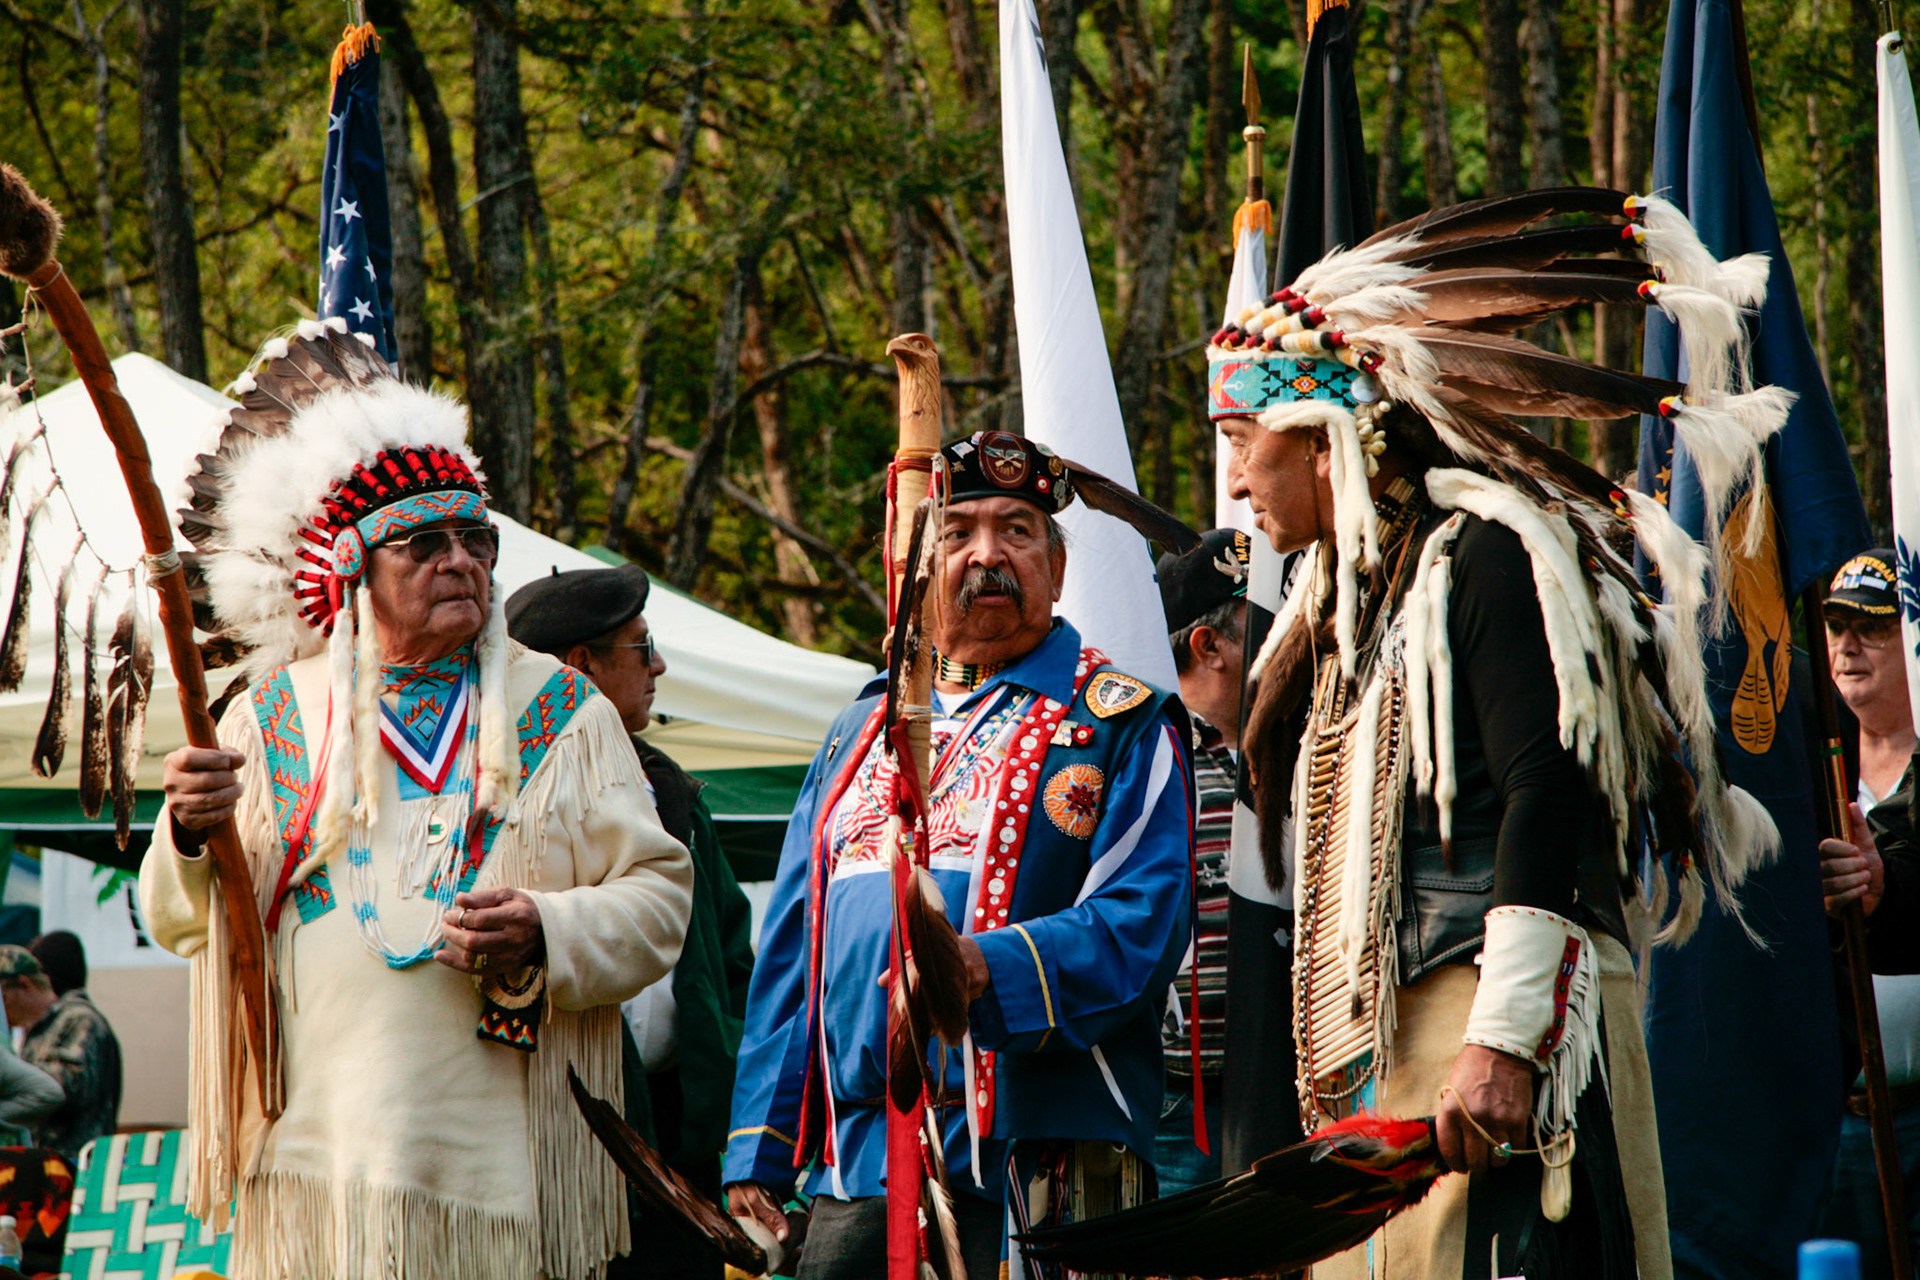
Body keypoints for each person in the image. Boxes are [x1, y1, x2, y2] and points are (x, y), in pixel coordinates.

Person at [1204, 187, 1790, 1279]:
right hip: (1390, 1042)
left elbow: (1546, 780)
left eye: (1243, 438)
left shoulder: (1483, 555)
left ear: (1325, 428)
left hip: (1485, 1016)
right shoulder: (1343, 597)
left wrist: (1505, 1036)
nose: (1233, 482)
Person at [138, 319, 693, 1280]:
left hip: (502, 1158)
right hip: (316, 1151)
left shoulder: (563, 708)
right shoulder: (268, 715)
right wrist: (187, 831)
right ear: (354, 568)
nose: (460, 562)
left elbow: (657, 896)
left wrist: (547, 927)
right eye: (422, 544)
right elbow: (184, 921)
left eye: (474, 539)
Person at [723, 431, 1194, 1279]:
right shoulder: (858, 732)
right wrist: (758, 1145)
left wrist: (983, 968)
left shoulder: (1120, 721)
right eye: (958, 532)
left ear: (1055, 564)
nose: (989, 555)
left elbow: (1143, 926)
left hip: (1038, 1156)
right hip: (863, 1160)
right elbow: (795, 946)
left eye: (1017, 530)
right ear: (917, 565)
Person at [506, 563, 755, 1280]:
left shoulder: (673, 793)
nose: (661, 665)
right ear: (580, 665)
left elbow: (735, 963)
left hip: (684, 1144)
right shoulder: (501, 796)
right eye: (641, 648)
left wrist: (732, 1119)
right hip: (559, 1145)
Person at [1811, 550, 1920, 1277]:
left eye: (1872, 628)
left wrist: (1886, 889)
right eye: (1836, 625)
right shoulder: (1805, 773)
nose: (1847, 645)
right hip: (1832, 1121)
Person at [1151, 528, 1260, 1193]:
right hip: (1174, 1105)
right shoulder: (1145, 758)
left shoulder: (1302, 748)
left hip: (1284, 1089)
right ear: (1208, 645)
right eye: (1263, 629)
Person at [5, 937, 118, 1160]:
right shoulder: (37, 1028)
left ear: (24, 985)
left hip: (78, 1166)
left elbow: (62, 1088)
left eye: (4, 998)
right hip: (41, 1166)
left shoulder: (79, 1020)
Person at [0, 949, 63, 1146]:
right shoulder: (30, 1027)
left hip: (70, 1159)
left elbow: (53, 1090)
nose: (4, 1010)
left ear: (24, 984)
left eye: (4, 998)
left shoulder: (75, 1020)